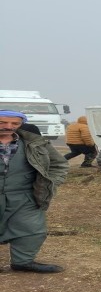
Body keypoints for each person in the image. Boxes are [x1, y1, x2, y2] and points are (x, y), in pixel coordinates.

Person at [0, 110, 69, 273]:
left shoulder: (35, 143)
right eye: (2, 122)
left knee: (31, 229)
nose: (8, 126)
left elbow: (59, 164)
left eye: (15, 123)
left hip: (25, 195)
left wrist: (51, 182)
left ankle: (22, 262)